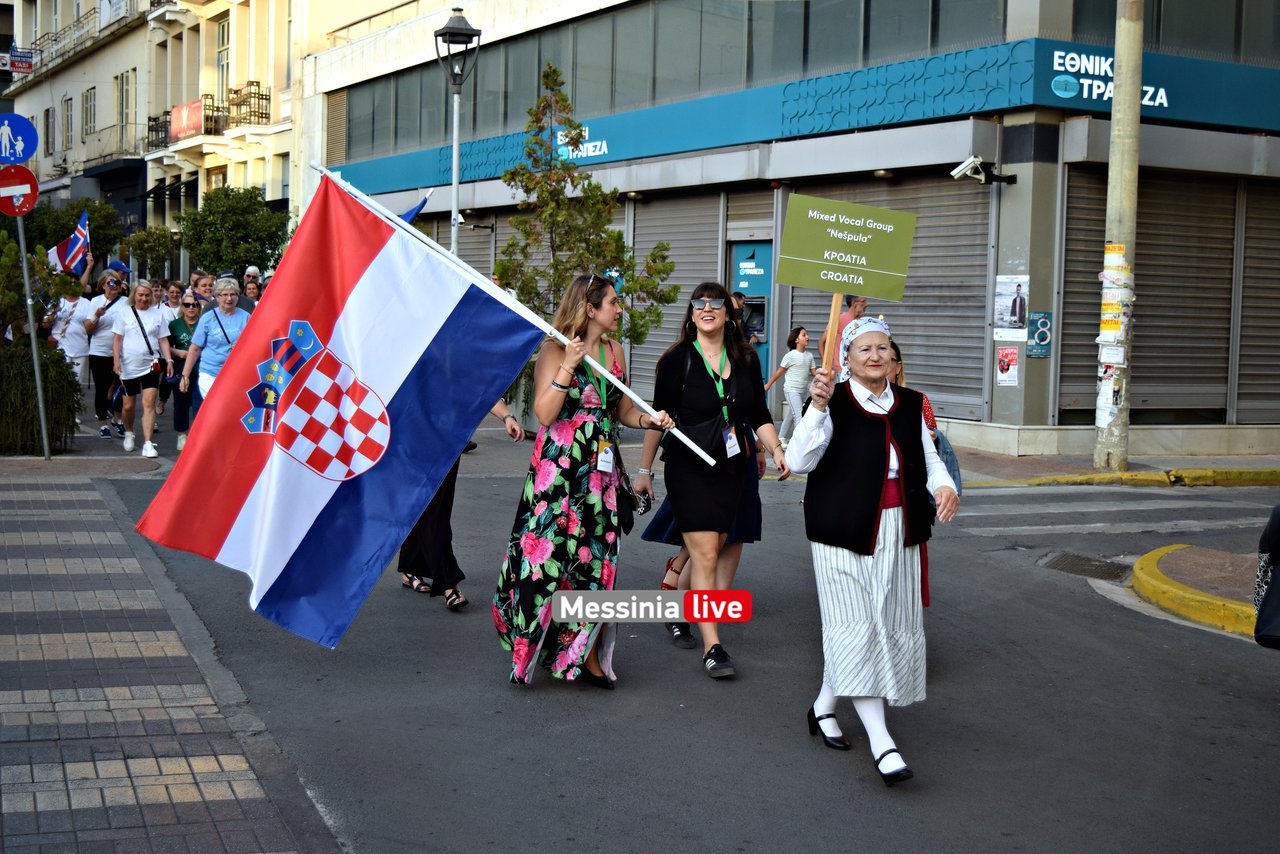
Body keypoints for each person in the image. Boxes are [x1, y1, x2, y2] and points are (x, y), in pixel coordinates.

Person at [784, 316, 958, 787]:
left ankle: (823, 707)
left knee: (880, 622)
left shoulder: (911, 403)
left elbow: (930, 460)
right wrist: (817, 409)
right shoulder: (830, 400)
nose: (875, 355)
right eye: (864, 349)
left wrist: (943, 487)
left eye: (883, 348)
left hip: (899, 527)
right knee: (855, 624)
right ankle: (883, 744)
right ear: (846, 358)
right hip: (840, 530)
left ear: (894, 359)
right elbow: (797, 461)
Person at [493, 273, 672, 688]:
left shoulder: (614, 350)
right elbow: (545, 413)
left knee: (594, 561)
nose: (619, 309)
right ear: (590, 308)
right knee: (544, 560)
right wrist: (569, 365)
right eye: (612, 302)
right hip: (558, 472)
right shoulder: (555, 348)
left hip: (601, 475)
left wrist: (649, 420)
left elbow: (622, 411)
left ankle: (586, 654)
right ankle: (528, 650)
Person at [648, 281, 788, 679]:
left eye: (715, 303)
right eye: (699, 303)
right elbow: (657, 418)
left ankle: (676, 604)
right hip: (688, 467)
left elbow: (759, 413)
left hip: (731, 466)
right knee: (706, 553)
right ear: (692, 314)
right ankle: (714, 648)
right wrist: (643, 471)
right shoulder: (676, 360)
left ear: (728, 313)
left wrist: (776, 448)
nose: (707, 308)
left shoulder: (746, 358)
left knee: (716, 547)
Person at [401, 402, 525, 609]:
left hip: (448, 437)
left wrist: (507, 417)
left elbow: (482, 388)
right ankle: (449, 583)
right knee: (432, 509)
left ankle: (410, 565)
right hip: (411, 435)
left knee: (431, 505)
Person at [112, 281, 173, 458]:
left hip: (152, 362)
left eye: (147, 295)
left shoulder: (158, 314)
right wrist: (116, 361)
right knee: (128, 405)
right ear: (134, 295)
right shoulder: (124, 312)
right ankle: (129, 432)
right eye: (140, 295)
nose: (144, 298)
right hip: (128, 364)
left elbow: (163, 339)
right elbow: (117, 339)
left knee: (149, 402)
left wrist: (168, 359)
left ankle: (148, 442)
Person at [180, 277, 251, 400]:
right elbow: (195, 348)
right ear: (217, 297)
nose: (229, 298)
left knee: (230, 407)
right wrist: (185, 375)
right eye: (225, 295)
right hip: (210, 373)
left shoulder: (246, 317)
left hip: (237, 373)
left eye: (233, 294)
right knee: (217, 404)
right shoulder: (208, 318)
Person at [84, 274, 128, 438]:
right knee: (102, 388)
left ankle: (118, 419)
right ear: (103, 285)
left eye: (117, 282)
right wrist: (96, 315)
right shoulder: (95, 301)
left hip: (121, 352)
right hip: (100, 351)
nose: (114, 285)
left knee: (121, 387)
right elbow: (88, 329)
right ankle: (103, 423)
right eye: (110, 282)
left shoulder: (126, 302)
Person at [764, 326, 816, 448]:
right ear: (796, 340)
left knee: (790, 416)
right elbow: (779, 372)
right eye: (804, 335)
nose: (807, 337)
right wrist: (768, 385)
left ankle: (781, 437)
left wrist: (825, 374)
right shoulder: (790, 356)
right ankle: (798, 444)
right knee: (798, 415)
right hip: (791, 390)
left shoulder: (809, 356)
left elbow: (814, 373)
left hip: (802, 391)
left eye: (807, 334)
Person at [167, 294, 202, 451]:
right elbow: (165, 347)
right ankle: (181, 435)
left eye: (195, 305)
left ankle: (197, 436)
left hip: (201, 370)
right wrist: (178, 353)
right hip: (181, 370)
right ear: (182, 307)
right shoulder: (174, 325)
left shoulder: (203, 322)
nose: (191, 308)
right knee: (181, 404)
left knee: (199, 404)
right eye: (187, 305)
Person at [816, 293, 868, 357]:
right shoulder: (839, 319)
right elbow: (822, 342)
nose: (866, 304)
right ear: (854, 303)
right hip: (839, 363)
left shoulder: (863, 322)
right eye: (863, 301)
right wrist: (825, 362)